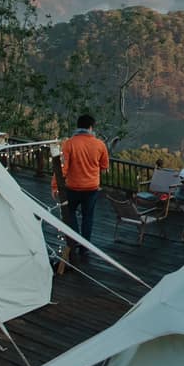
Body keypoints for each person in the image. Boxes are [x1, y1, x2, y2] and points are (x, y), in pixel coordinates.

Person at [54, 112, 109, 268]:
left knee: (70, 213)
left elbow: (62, 169)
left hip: (72, 187)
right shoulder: (100, 144)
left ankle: (75, 240)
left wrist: (54, 186)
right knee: (88, 217)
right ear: (91, 128)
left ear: (78, 127)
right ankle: (85, 247)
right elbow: (104, 166)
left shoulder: (69, 144)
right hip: (91, 188)